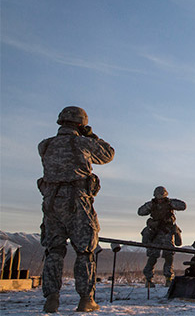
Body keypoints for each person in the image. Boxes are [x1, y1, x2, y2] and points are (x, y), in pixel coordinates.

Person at [37, 106, 115, 312]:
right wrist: (92, 135)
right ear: (81, 124)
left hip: (51, 204)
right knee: (85, 251)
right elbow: (108, 154)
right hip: (77, 203)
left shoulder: (44, 145)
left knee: (53, 250)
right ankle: (86, 299)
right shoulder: (83, 143)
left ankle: (51, 298)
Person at [138, 186, 186, 287]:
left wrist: (170, 203)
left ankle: (168, 278)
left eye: (161, 198)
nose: (159, 200)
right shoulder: (151, 204)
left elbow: (183, 206)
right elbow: (140, 211)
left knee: (168, 256)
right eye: (158, 198)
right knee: (152, 256)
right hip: (155, 233)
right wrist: (149, 207)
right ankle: (148, 279)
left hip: (167, 232)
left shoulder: (169, 203)